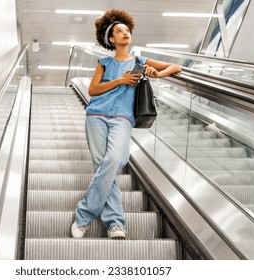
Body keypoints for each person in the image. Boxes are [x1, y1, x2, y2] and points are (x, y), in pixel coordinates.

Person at [71, 9, 182, 239]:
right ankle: (115, 224)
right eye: (119, 31)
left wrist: (157, 74)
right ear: (111, 39)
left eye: (126, 30)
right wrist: (121, 80)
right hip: (97, 115)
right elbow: (92, 90)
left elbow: (176, 67)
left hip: (122, 117)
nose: (124, 33)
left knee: (114, 160)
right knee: (102, 165)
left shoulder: (140, 61)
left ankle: (84, 215)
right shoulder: (104, 62)